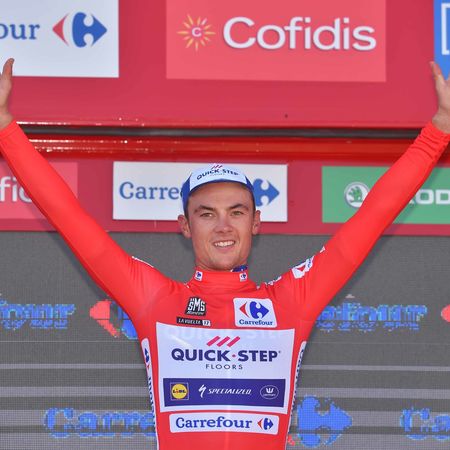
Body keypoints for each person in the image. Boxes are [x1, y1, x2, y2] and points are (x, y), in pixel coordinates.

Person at [0, 58, 449, 450]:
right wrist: (5, 128)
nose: (222, 226)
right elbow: (72, 220)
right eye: (206, 214)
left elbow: (369, 219)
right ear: (185, 225)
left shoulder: (290, 303)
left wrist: (438, 133)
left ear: (256, 223)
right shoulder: (155, 299)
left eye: (236, 212)